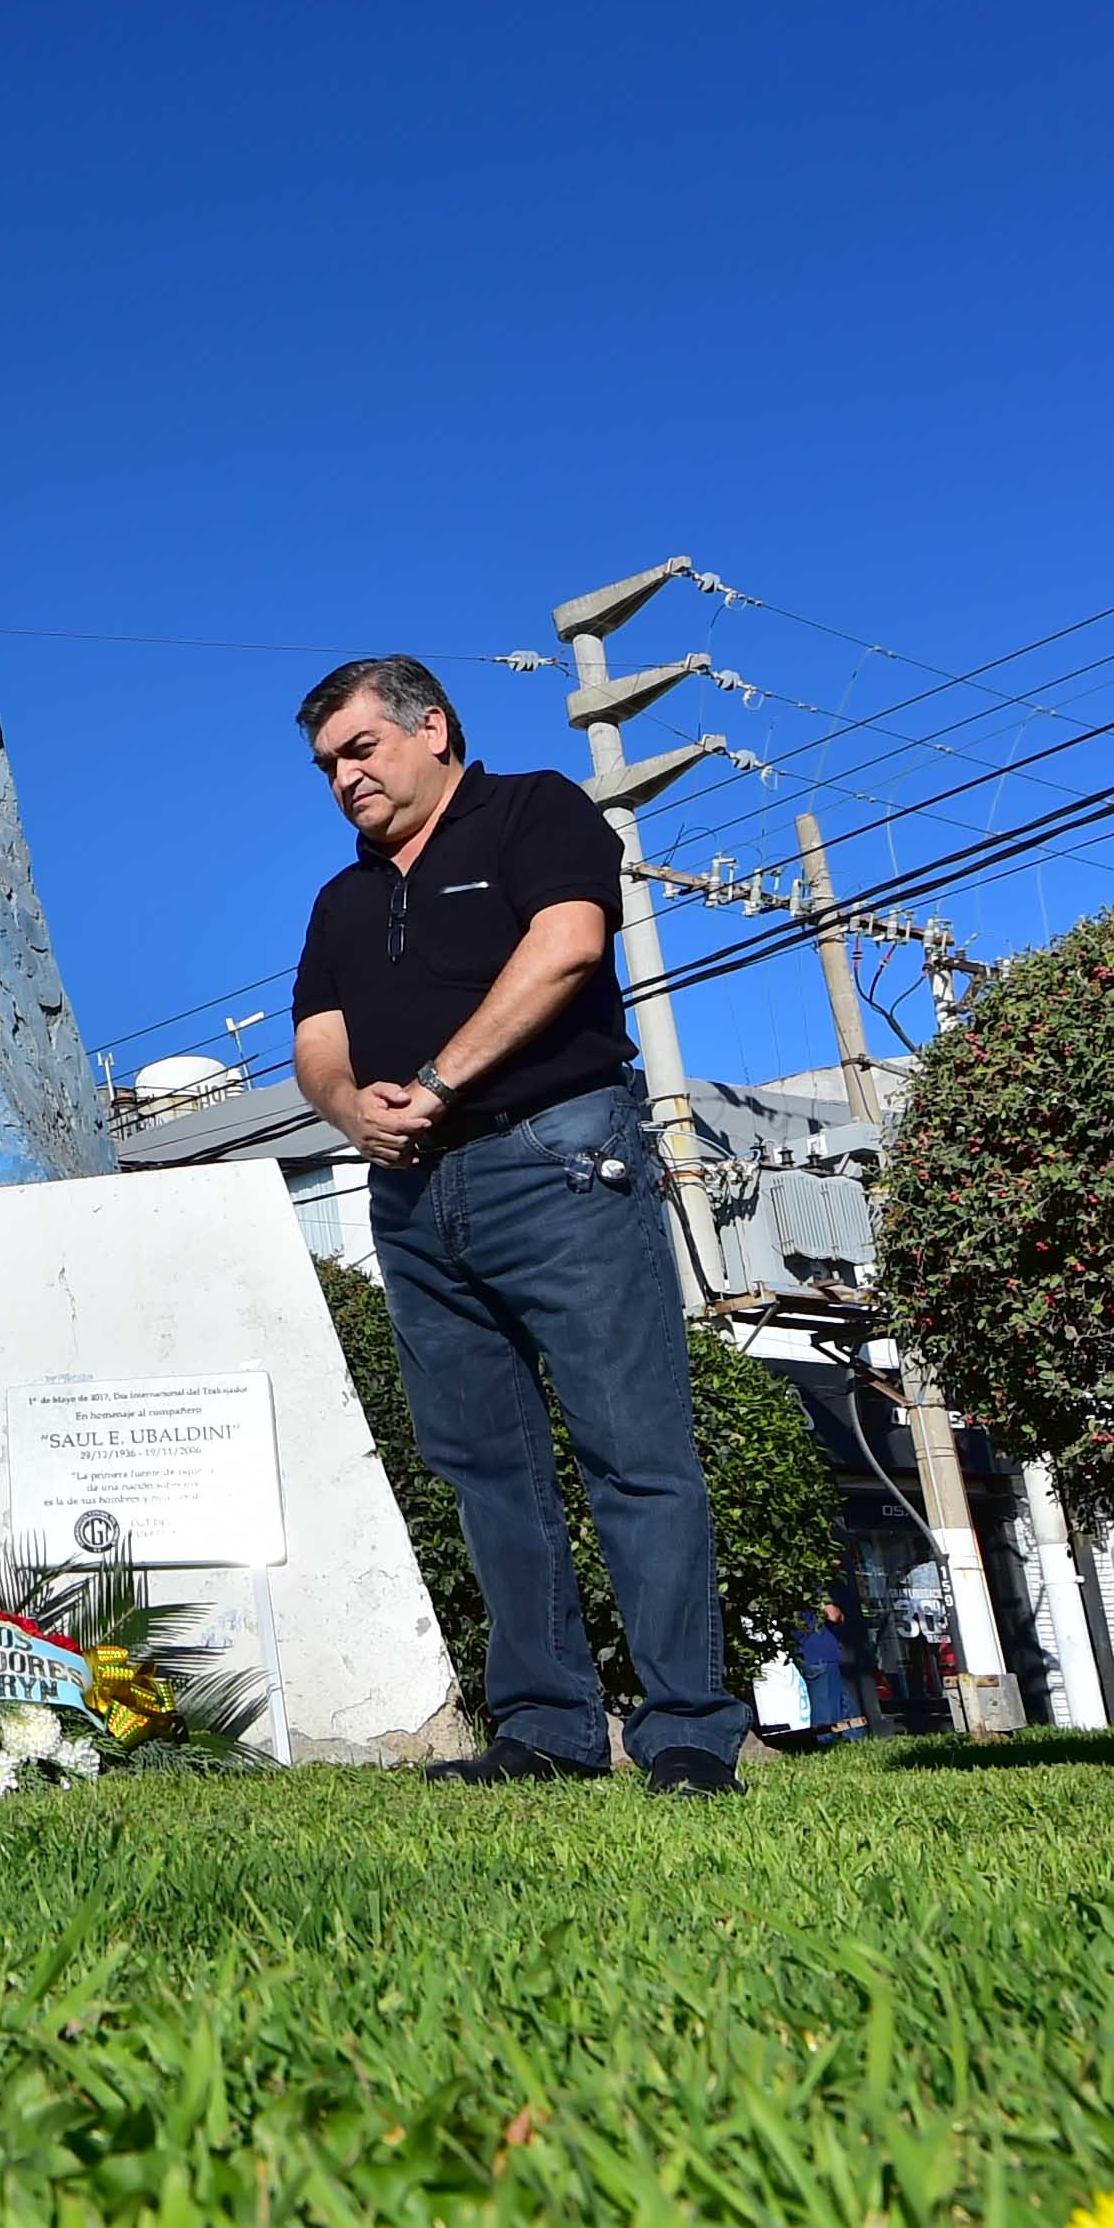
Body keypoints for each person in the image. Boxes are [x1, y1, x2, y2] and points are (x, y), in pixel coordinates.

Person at [288, 655, 753, 1798]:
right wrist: (359, 1112)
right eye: (326, 766)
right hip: (410, 1192)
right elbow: (316, 1040)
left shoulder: (531, 806)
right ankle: (544, 1727)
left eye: (361, 749)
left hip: (556, 1160)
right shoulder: (344, 898)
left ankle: (687, 1730)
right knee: (483, 1467)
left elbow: (566, 947)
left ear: (431, 726)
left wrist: (437, 1082)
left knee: (631, 1446)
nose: (345, 778)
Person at [793, 1594, 865, 1738]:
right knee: (826, 1716)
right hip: (821, 1655)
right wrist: (841, 1614)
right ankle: (826, 1747)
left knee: (847, 1707)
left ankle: (855, 1742)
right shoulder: (812, 1587)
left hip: (806, 1653)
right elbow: (833, 1615)